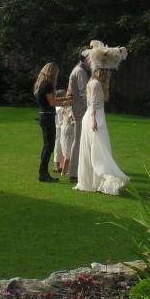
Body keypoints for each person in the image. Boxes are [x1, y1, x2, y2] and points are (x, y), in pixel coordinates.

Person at [74, 40, 129, 196]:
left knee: (93, 150)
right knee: (100, 151)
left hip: (91, 118)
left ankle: (92, 182)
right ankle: (107, 179)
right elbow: (95, 106)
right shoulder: (97, 84)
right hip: (95, 119)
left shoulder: (92, 82)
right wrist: (94, 122)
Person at [33, 62, 71, 182]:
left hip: (43, 115)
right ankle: (43, 173)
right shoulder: (48, 84)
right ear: (53, 72)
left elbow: (51, 100)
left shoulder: (41, 83)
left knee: (47, 146)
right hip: (47, 116)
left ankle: (43, 172)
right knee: (49, 146)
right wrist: (66, 102)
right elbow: (52, 102)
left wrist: (65, 98)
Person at [65, 52, 91, 183]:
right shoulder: (81, 71)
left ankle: (77, 170)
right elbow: (84, 91)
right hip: (80, 108)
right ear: (85, 58)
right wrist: (91, 107)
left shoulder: (79, 69)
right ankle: (74, 172)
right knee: (78, 139)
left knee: (79, 140)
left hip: (78, 107)